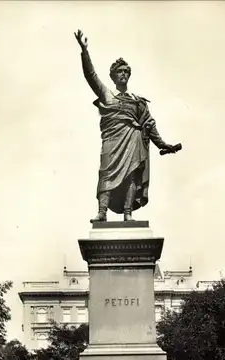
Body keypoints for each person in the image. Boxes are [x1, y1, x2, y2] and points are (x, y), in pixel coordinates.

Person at [75, 30, 181, 222]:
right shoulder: (107, 95)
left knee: (132, 176)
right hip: (113, 140)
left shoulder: (138, 101)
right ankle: (102, 212)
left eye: (126, 71)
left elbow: (149, 123)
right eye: (119, 71)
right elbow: (90, 75)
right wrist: (84, 50)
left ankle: (127, 213)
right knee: (106, 172)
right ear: (113, 76)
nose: (123, 74)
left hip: (133, 140)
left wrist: (163, 144)